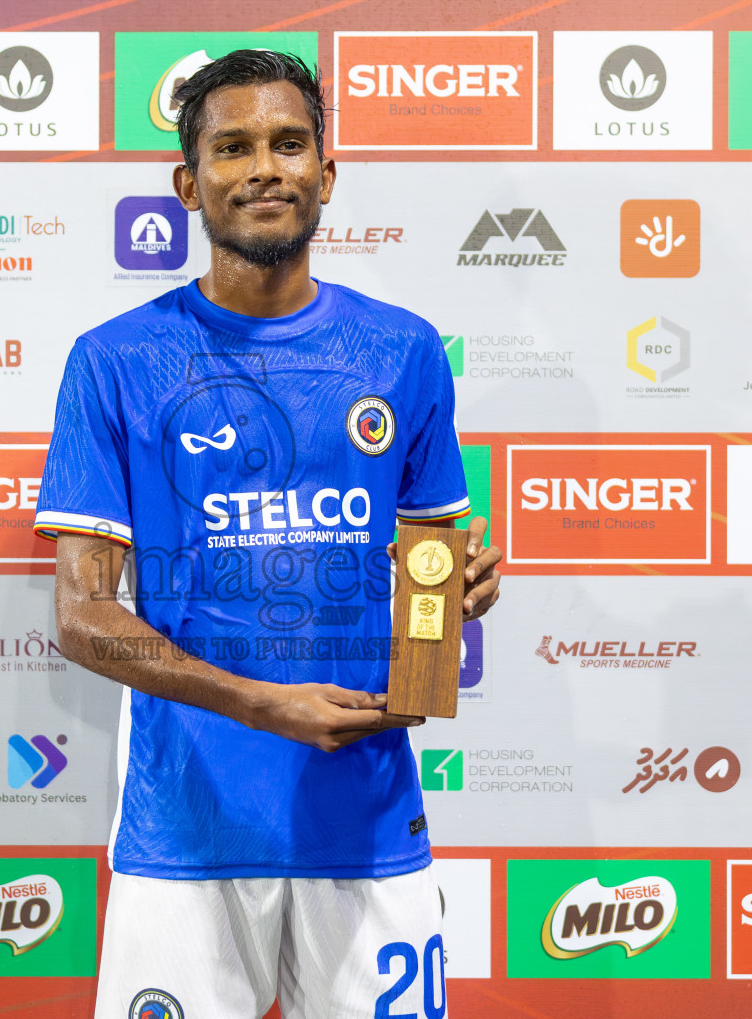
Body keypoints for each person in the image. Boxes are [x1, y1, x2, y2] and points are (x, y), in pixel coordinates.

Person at [34, 49, 502, 1019]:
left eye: (290, 144)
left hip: (364, 819)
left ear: (326, 175)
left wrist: (454, 599)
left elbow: (426, 586)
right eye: (232, 146)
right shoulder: (115, 362)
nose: (264, 168)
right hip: (186, 831)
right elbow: (82, 617)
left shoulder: (402, 350)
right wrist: (258, 703)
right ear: (187, 182)